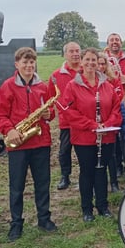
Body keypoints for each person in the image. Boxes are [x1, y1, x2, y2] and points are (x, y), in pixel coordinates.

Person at [0, 47, 57, 241]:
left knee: (43, 183)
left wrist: (48, 114)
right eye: (24, 62)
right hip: (18, 143)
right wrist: (9, 129)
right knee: (17, 186)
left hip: (40, 142)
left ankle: (44, 219)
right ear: (16, 65)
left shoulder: (42, 86)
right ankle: (16, 223)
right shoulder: (8, 86)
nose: (29, 66)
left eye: (32, 62)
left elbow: (51, 113)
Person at [62, 48, 122, 222]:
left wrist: (107, 124)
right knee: (87, 172)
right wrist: (92, 125)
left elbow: (116, 109)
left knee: (101, 170)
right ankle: (87, 209)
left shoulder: (107, 85)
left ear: (98, 63)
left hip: (106, 136)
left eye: (93, 60)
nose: (90, 63)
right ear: (81, 62)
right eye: (87, 60)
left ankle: (102, 206)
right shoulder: (72, 86)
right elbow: (69, 112)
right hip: (84, 138)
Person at [47, 42, 81, 191]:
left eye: (77, 51)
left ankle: (84, 176)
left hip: (83, 120)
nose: (75, 54)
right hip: (66, 121)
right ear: (65, 54)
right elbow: (50, 98)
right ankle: (65, 176)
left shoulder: (86, 70)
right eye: (71, 51)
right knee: (64, 150)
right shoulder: (56, 76)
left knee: (84, 151)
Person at [97, 52, 124, 191]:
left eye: (103, 64)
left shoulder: (112, 80)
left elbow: (117, 101)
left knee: (112, 154)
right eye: (98, 63)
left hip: (109, 122)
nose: (101, 66)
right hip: (95, 123)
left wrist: (109, 122)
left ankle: (114, 182)